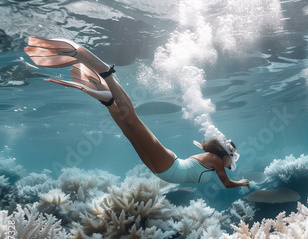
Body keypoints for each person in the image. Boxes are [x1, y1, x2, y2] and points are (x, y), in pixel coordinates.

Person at [24, 37, 250, 189]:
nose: (232, 164)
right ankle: (106, 72)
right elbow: (227, 184)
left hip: (161, 170)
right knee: (132, 121)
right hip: (169, 166)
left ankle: (109, 102)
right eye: (233, 159)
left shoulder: (214, 159)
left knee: (128, 130)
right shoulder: (217, 162)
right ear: (226, 154)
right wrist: (243, 183)